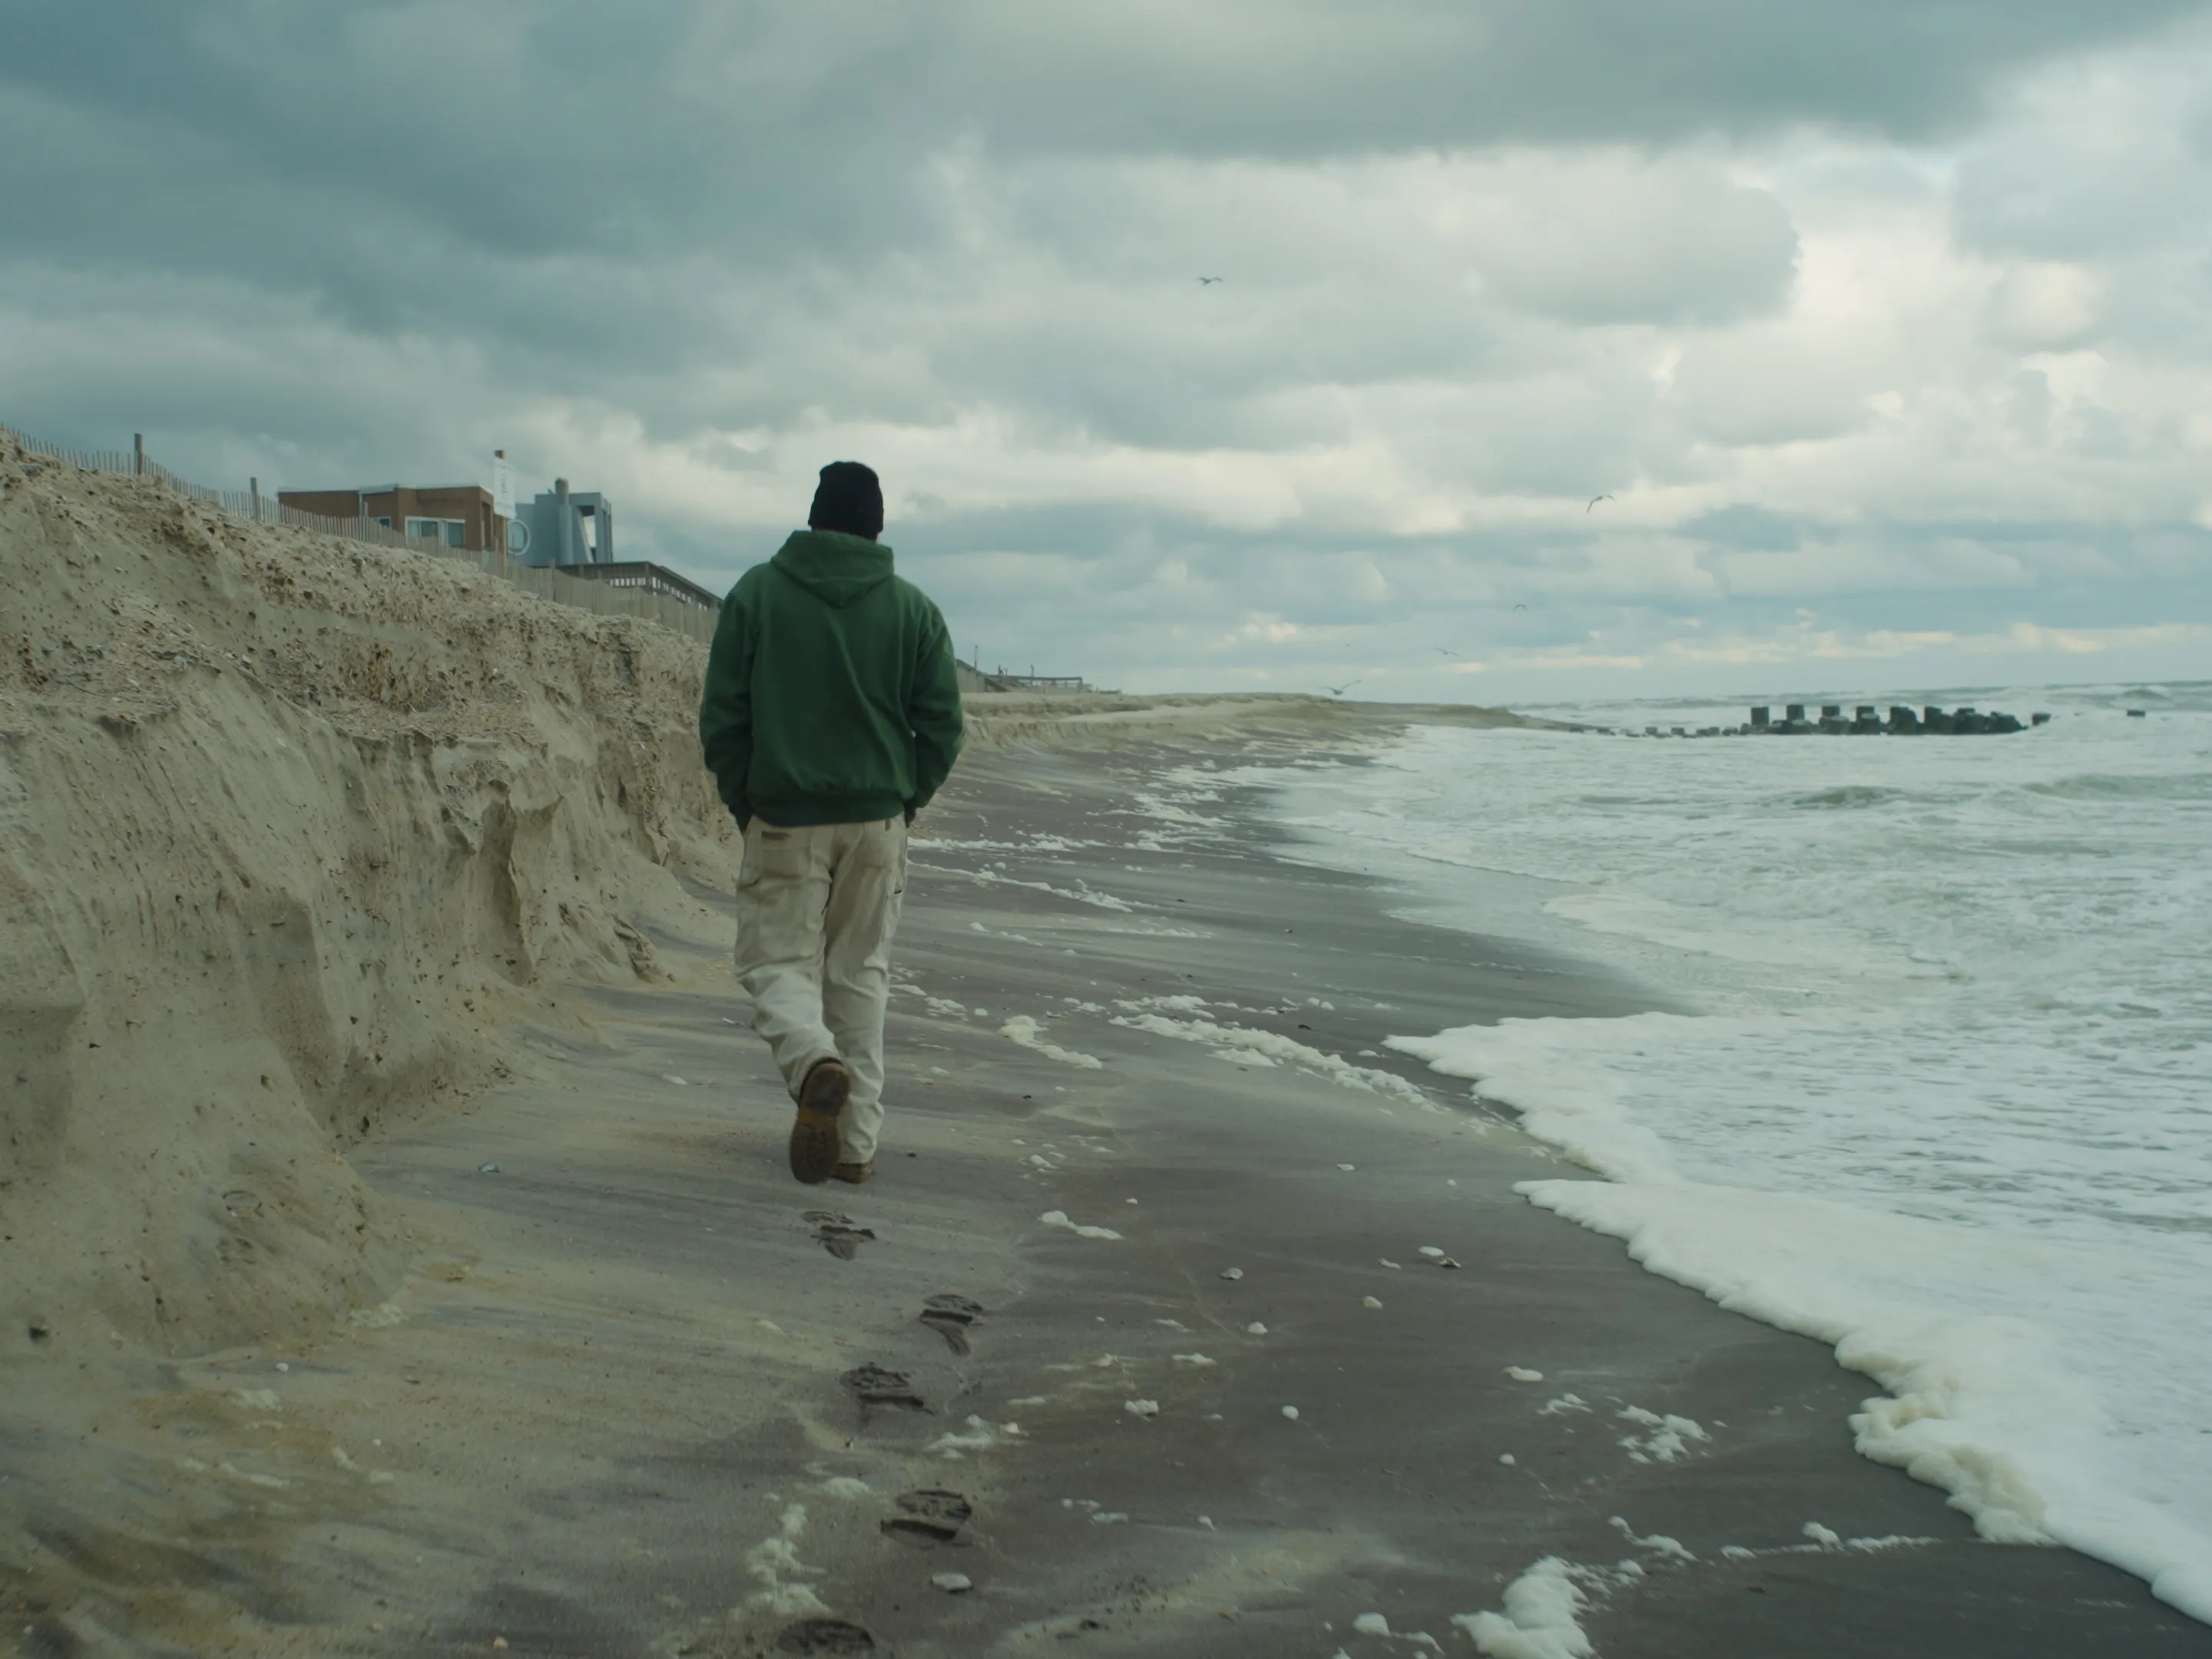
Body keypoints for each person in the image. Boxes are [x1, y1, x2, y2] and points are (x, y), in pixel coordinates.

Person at [697, 461, 965, 1184]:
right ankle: (853, 1147)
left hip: (784, 816)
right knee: (861, 975)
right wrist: (906, 802)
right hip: (877, 820)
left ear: (814, 518)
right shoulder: (913, 610)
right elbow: (942, 725)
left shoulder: (756, 596)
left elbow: (723, 719)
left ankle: (813, 1059)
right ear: (877, 529)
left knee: (774, 964)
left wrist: (746, 804)